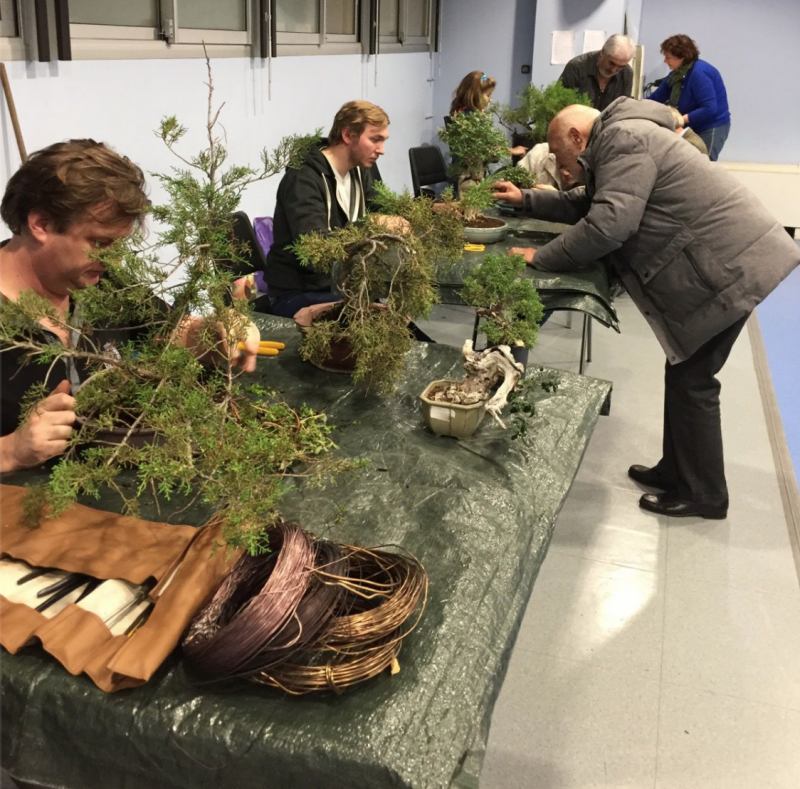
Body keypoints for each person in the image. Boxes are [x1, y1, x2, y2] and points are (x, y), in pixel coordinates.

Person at [492, 98, 799, 519]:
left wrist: (540, 258)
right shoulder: (622, 137)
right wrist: (527, 199)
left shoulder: (623, 138)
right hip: (733, 258)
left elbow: (609, 224)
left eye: (563, 157)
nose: (563, 169)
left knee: (695, 380)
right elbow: (591, 202)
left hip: (734, 264)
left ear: (578, 137)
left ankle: (705, 494)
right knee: (686, 371)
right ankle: (678, 471)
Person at [0, 139, 261, 474]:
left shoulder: (100, 282)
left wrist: (215, 335)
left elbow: (166, 331)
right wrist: (11, 451)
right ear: (41, 224)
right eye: (101, 242)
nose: (114, 259)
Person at [264, 101, 408, 318]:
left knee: (404, 326)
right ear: (348, 135)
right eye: (375, 139)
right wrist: (371, 224)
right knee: (381, 329)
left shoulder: (362, 168)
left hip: (344, 286)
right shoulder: (303, 177)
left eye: (383, 140)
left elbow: (382, 209)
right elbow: (315, 252)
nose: (382, 150)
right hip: (300, 293)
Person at [646, 35, 730, 161]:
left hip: (711, 126)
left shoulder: (699, 73)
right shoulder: (676, 75)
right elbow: (655, 99)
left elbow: (709, 108)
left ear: (682, 57)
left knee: (703, 164)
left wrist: (679, 119)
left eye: (668, 57)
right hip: (692, 125)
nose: (665, 61)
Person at [559, 34, 635, 111]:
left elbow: (623, 109)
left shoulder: (626, 73)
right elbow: (560, 104)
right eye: (612, 63)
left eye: (621, 66)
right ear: (602, 53)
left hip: (609, 122)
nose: (613, 70)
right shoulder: (576, 68)